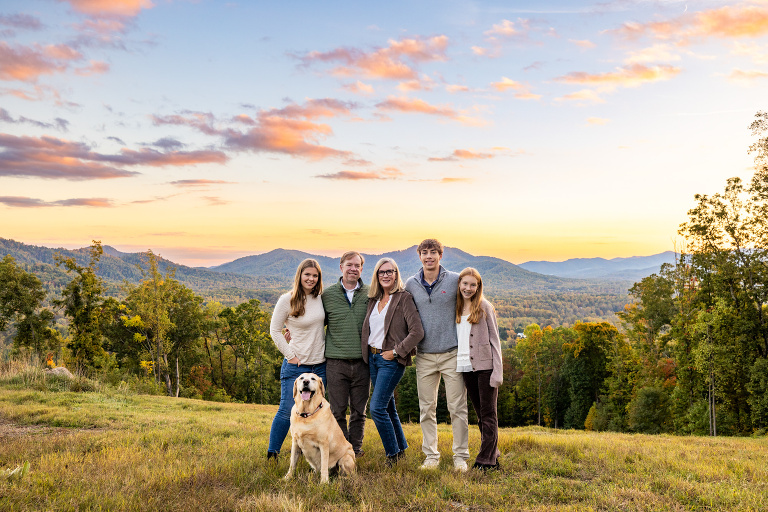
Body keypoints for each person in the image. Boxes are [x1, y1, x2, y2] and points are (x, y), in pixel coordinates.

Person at [404, 238, 469, 472]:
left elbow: (473, 301)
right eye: (425, 252)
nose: (429, 256)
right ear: (419, 255)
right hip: (424, 355)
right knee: (426, 408)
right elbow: (401, 314)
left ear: (441, 255)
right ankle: (431, 456)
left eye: (433, 252)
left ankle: (460, 457)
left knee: (457, 407)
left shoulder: (454, 280)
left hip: (452, 353)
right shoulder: (411, 284)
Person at [361, 258, 424, 465]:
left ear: (396, 274)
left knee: (377, 408)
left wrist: (397, 352)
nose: (386, 275)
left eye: (390, 271)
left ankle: (393, 455)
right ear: (377, 276)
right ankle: (401, 448)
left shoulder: (403, 298)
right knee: (388, 408)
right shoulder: (373, 299)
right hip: (372, 358)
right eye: (381, 272)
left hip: (390, 360)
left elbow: (417, 332)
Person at [267, 258, 326, 459]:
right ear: (299, 275)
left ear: (319, 278)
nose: (310, 278)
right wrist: (290, 356)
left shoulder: (321, 298)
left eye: (315, 275)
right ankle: (272, 453)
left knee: (315, 411)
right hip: (296, 366)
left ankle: (309, 453)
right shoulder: (287, 299)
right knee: (286, 410)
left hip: (320, 366)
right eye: (307, 274)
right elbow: (274, 331)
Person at [321, 251, 370, 458]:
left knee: (359, 412)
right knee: (338, 411)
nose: (353, 269)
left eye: (357, 265)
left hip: (363, 362)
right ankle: (341, 451)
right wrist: (291, 331)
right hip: (336, 362)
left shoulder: (371, 293)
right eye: (349, 265)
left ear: (361, 268)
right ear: (341, 267)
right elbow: (313, 321)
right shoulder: (327, 295)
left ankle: (355, 451)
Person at [455, 267, 503, 470]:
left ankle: (486, 460)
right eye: (465, 284)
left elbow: (495, 341)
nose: (468, 288)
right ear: (459, 284)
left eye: (473, 285)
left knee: (488, 414)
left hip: (485, 368)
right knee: (480, 415)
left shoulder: (484, 306)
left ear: (478, 286)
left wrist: (497, 372)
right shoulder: (456, 307)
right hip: (465, 367)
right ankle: (494, 452)